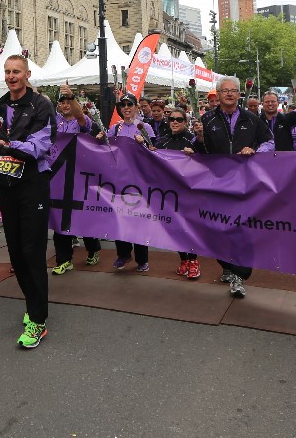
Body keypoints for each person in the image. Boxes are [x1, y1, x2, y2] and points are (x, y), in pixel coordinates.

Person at [0, 54, 56, 349]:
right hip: (7, 186)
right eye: (7, 71)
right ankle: (32, 305)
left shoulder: (42, 105)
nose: (11, 76)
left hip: (33, 186)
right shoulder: (0, 105)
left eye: (16, 71)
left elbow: (38, 147)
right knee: (15, 254)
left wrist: (4, 145)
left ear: (27, 74)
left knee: (32, 251)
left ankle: (38, 320)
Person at [191, 75, 273, 297]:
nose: (229, 94)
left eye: (233, 90)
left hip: (244, 183)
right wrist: (199, 138)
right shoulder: (207, 119)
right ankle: (227, 264)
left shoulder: (251, 119)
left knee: (241, 228)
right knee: (214, 228)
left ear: (239, 94)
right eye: (224, 91)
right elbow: (201, 153)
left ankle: (239, 274)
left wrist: (256, 151)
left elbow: (269, 141)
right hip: (215, 183)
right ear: (218, 95)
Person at [50, 89, 103, 274]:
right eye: (62, 102)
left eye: (69, 102)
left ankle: (93, 249)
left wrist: (73, 98)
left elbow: (81, 117)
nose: (66, 105)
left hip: (80, 176)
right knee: (59, 217)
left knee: (83, 215)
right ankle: (64, 260)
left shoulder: (82, 121)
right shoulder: (54, 121)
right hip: (58, 177)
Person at [107, 94, 155, 272]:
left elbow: (154, 152)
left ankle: (142, 260)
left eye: (130, 104)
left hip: (139, 180)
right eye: (123, 105)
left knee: (139, 219)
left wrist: (144, 145)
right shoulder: (115, 128)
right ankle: (123, 254)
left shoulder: (144, 127)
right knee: (120, 217)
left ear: (136, 107)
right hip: (119, 180)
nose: (126, 108)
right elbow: (107, 151)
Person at [154, 108, 201, 279]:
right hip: (169, 192)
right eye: (172, 119)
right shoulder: (163, 141)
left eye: (179, 119)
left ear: (185, 122)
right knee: (174, 227)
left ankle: (194, 261)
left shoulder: (192, 140)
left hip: (189, 191)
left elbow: (205, 159)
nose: (175, 122)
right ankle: (184, 259)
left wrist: (195, 155)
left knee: (189, 227)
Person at [260, 88, 296, 152]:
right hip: (263, 157)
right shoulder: (257, 121)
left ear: (278, 103)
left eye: (273, 101)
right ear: (262, 104)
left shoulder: (287, 118)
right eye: (267, 102)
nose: (270, 104)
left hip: (285, 157)